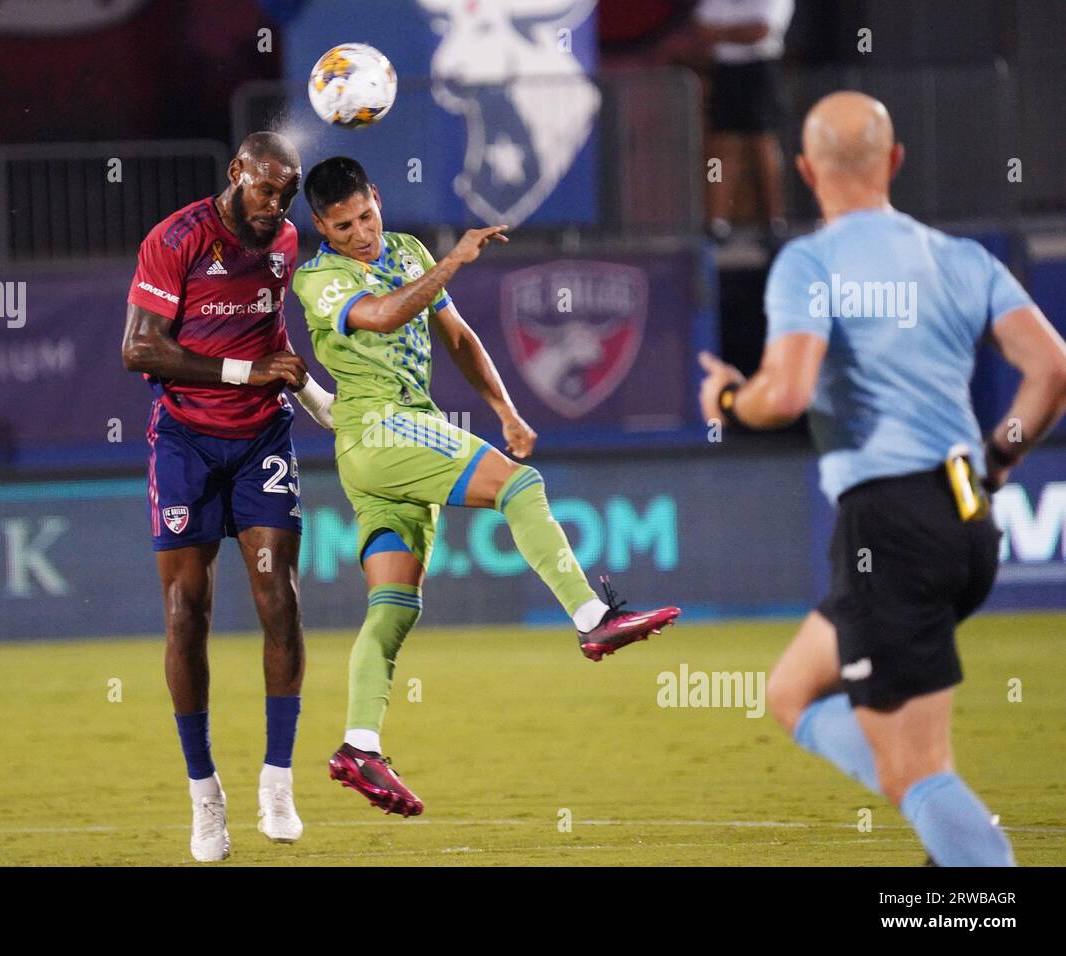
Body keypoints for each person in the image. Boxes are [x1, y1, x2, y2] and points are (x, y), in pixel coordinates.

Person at [698, 91, 1066, 866]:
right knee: (791, 692)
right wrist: (1000, 455)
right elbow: (1051, 367)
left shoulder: (811, 261)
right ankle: (947, 827)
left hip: (890, 527)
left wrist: (730, 397)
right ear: (895, 161)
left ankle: (968, 856)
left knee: (916, 772)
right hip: (966, 520)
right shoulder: (962, 258)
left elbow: (786, 394)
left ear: (803, 170)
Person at [291, 156, 681, 817]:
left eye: (366, 215)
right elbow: (384, 316)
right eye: (342, 225)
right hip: (380, 432)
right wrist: (456, 262)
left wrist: (505, 409)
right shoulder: (320, 279)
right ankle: (594, 620)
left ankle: (359, 747)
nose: (360, 233)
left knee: (393, 608)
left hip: (397, 441)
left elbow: (461, 339)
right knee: (519, 486)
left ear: (377, 198)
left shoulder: (408, 249)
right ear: (321, 228)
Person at [120, 131, 335, 863]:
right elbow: (139, 350)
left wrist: (311, 396)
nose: (276, 205)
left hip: (261, 444)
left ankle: (277, 780)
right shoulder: (176, 240)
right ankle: (204, 797)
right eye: (265, 189)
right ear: (236, 174)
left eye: (288, 193)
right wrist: (246, 373)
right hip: (185, 443)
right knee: (186, 617)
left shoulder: (285, 243)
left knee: (281, 602)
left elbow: (274, 337)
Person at [695, 0, 795, 244]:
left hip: (761, 71)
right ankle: (717, 222)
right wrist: (738, 33)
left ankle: (774, 221)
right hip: (726, 72)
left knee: (763, 144)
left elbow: (760, 31)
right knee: (721, 149)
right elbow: (702, 30)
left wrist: (722, 33)